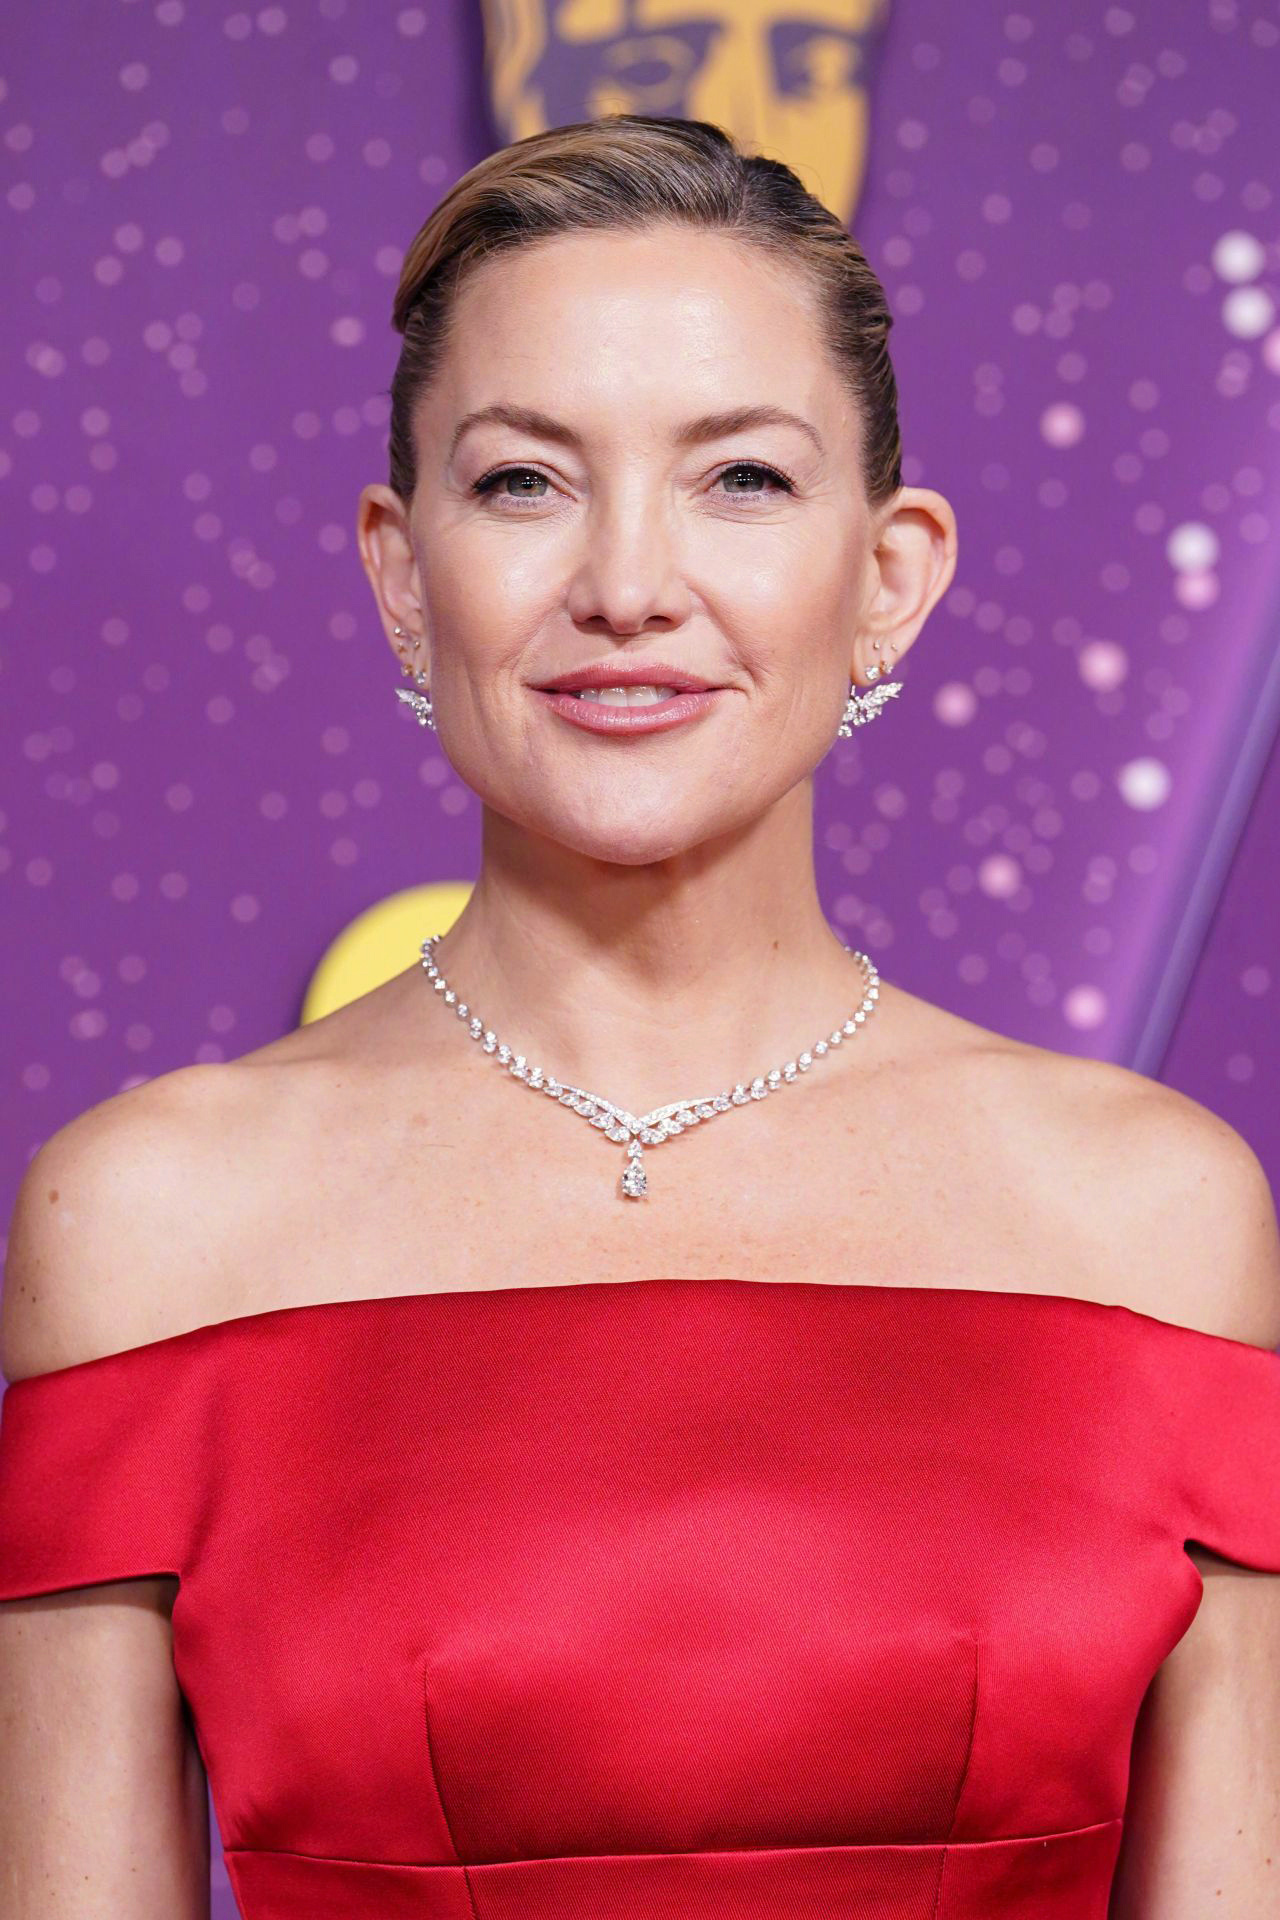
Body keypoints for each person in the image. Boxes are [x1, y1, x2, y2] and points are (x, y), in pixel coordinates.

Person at [1, 112, 1277, 1920]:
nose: (625, 587)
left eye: (739, 478)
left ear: (892, 573)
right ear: (400, 571)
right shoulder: (148, 1221)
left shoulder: (1146, 1215)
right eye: (526, 482)